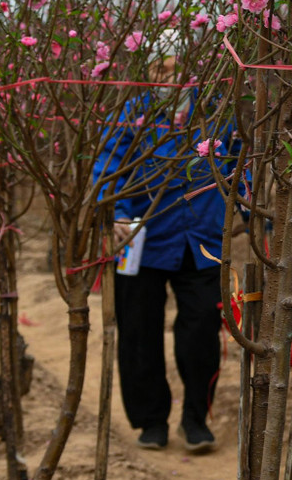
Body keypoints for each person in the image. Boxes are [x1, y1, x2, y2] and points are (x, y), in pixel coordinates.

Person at [91, 49, 228, 454]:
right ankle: (151, 420)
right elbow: (107, 165)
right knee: (138, 331)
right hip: (140, 238)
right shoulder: (132, 113)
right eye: (158, 70)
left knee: (202, 328)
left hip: (201, 240)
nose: (167, 79)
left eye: (174, 70)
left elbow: (242, 163)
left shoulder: (217, 112)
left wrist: (249, 204)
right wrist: (115, 211)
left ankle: (196, 418)